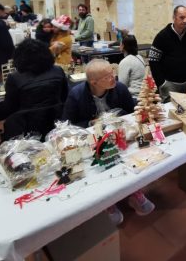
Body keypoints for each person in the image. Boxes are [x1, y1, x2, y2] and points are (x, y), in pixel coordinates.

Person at [62, 59, 153, 221]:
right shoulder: (76, 95)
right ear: (93, 82)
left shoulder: (120, 88)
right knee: (99, 169)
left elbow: (132, 112)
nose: (114, 78)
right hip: (92, 142)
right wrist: (91, 123)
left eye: (113, 73)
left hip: (121, 136)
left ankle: (133, 190)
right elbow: (69, 124)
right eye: (108, 76)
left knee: (133, 161)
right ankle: (107, 201)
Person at [1, 39, 69, 138]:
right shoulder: (58, 71)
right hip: (56, 124)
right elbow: (64, 97)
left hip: (27, 129)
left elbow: (10, 108)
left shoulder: (15, 77)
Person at [148, 5, 186, 102]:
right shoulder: (162, 36)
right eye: (182, 17)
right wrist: (161, 83)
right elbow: (153, 60)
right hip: (169, 85)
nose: (185, 20)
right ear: (174, 18)